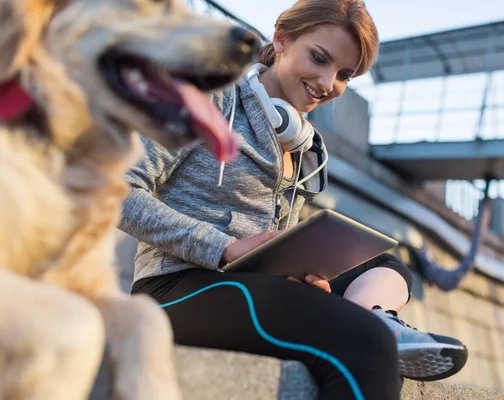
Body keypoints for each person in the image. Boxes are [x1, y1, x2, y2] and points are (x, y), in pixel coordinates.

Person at [119, 1, 468, 399]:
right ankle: (374, 327)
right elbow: (116, 192)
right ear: (281, 38)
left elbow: (273, 244)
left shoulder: (304, 146)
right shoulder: (207, 95)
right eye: (319, 58)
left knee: (386, 267)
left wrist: (307, 275)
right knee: (365, 343)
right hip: (176, 289)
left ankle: (376, 316)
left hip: (255, 283)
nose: (326, 82)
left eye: (344, 75)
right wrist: (225, 248)